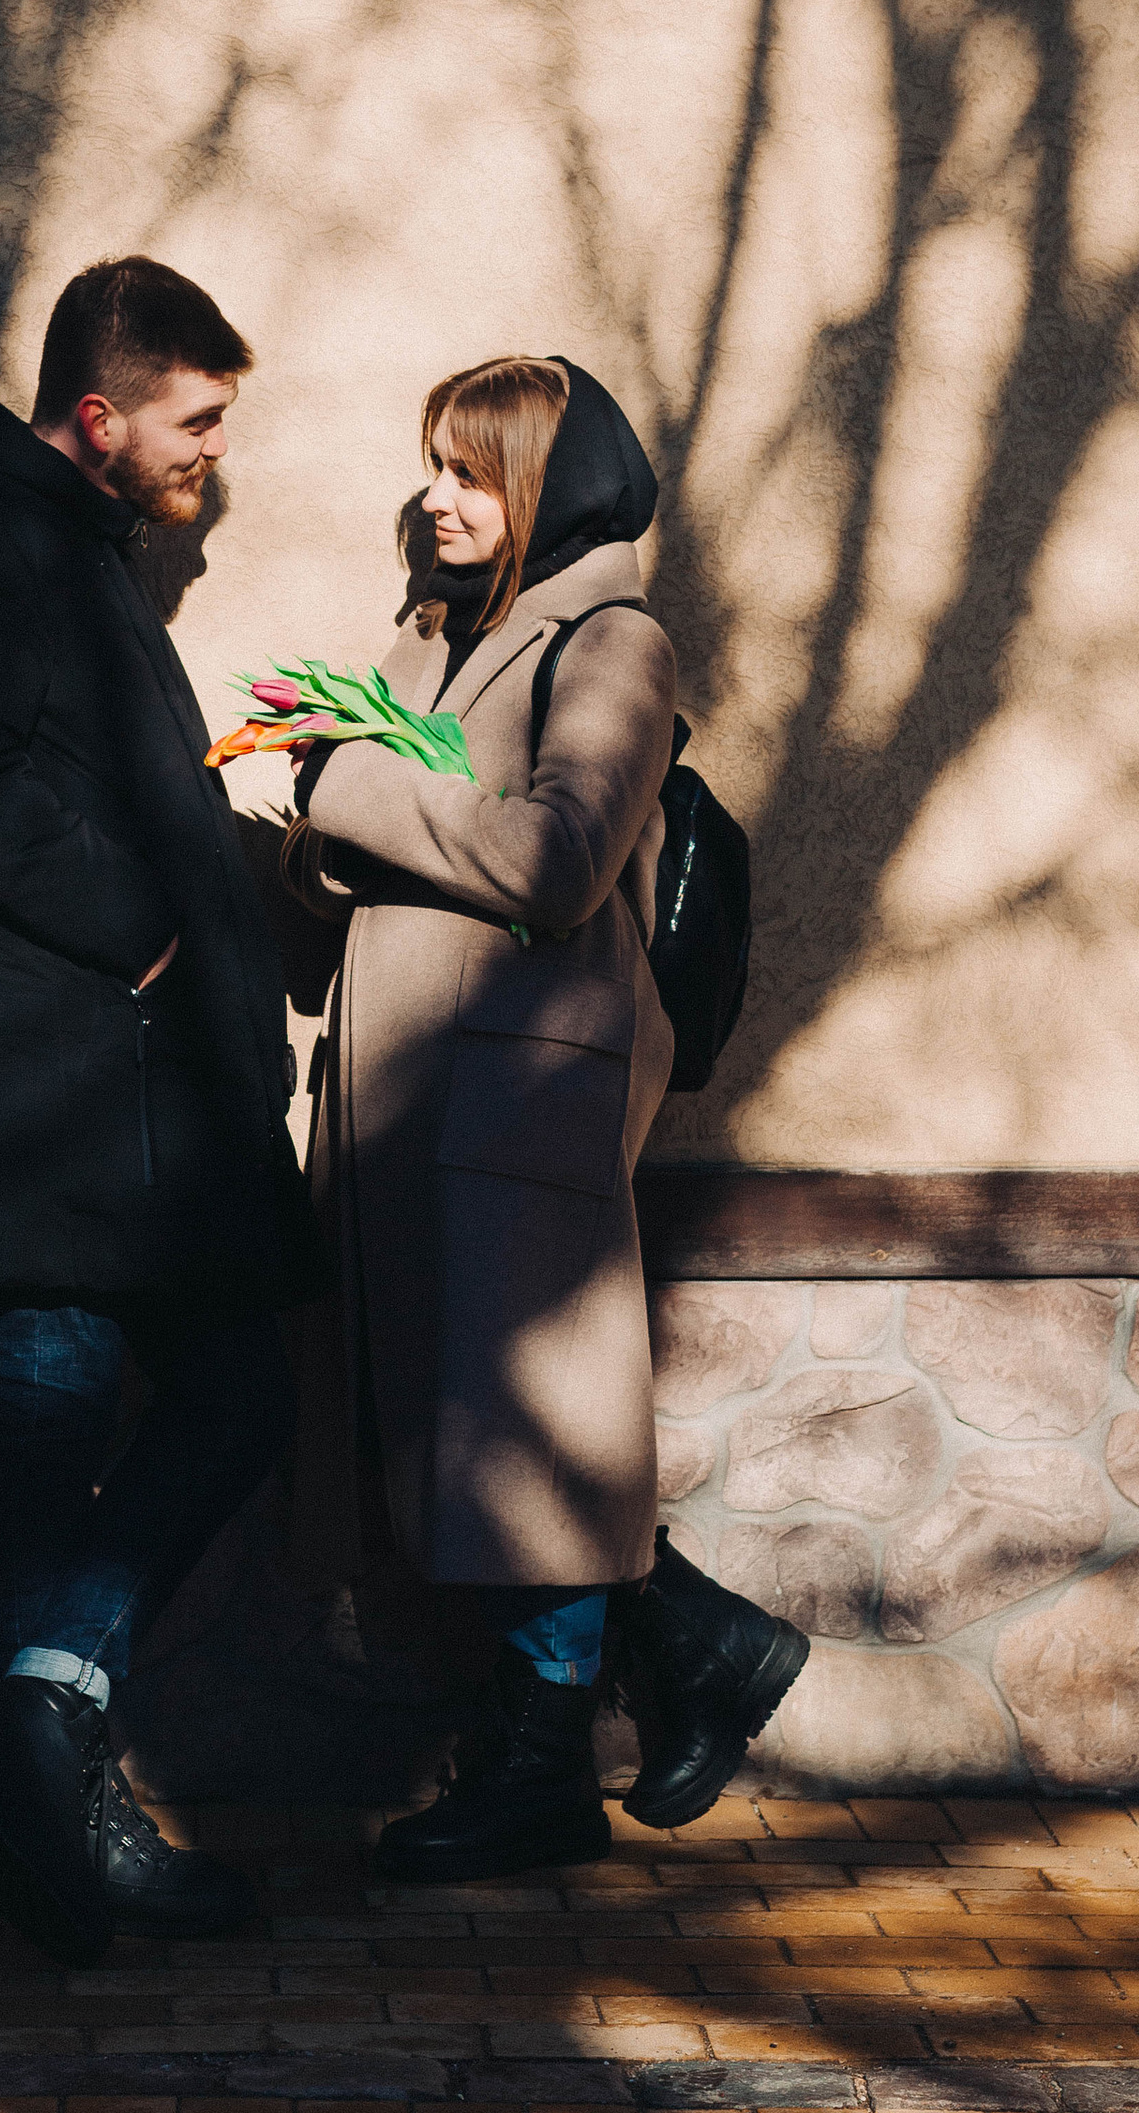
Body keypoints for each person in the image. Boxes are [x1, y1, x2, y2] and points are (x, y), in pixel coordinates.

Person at [289, 354, 808, 1879]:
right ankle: (694, 1650)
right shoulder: (439, 638)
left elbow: (561, 857)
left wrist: (349, 787)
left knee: (533, 1433)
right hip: (422, 1096)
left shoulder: (613, 643)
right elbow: (373, 838)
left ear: (548, 486)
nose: (434, 499)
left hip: (523, 1091)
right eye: (434, 465)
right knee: (482, 1434)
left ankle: (539, 1768)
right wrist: (320, 815)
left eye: (471, 472)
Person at [0, 258, 314, 1964]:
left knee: (172, 1409)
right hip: (66, 1103)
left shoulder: (59, 540)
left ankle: (42, 1764)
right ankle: (54, 1790)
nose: (214, 454)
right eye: (198, 421)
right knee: (112, 1421)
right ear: (102, 414)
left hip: (113, 1105)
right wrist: (147, 933)